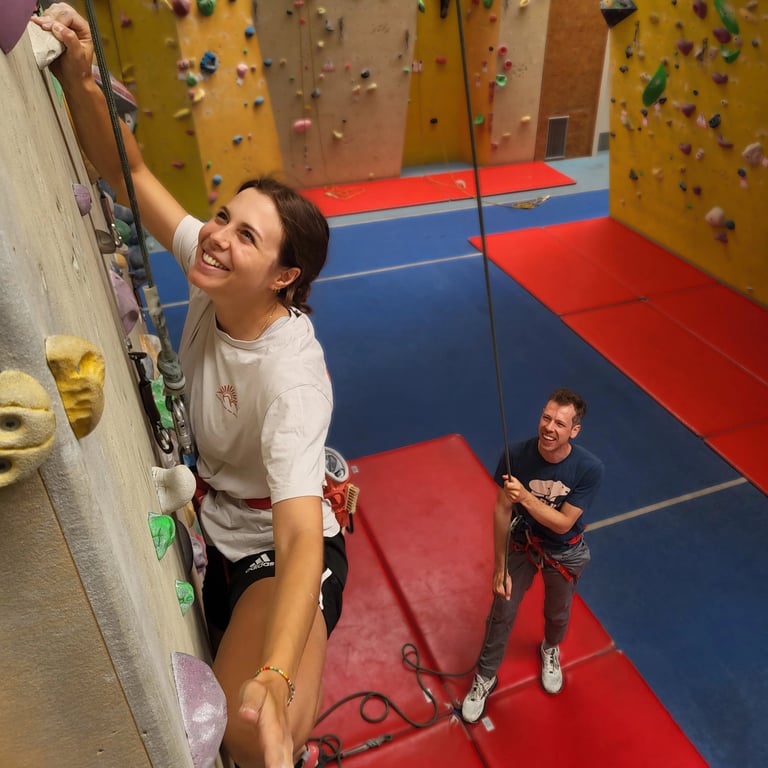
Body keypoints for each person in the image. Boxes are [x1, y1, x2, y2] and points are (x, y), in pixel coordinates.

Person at [34, 6, 346, 768]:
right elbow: (131, 173)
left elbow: (302, 533)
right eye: (221, 216)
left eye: (246, 236)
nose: (214, 235)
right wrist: (80, 73)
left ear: (283, 277)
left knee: (250, 731)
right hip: (220, 526)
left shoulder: (292, 375)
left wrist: (275, 673)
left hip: (277, 550)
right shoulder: (215, 281)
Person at [461, 387, 604, 723]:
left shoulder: (588, 468)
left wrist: (524, 497)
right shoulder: (516, 456)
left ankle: (549, 649)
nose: (549, 427)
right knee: (501, 610)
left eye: (559, 423)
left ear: (574, 430)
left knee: (557, 613)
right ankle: (485, 676)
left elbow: (563, 522)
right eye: (546, 417)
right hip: (523, 542)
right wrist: (500, 567)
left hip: (563, 548)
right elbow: (500, 511)